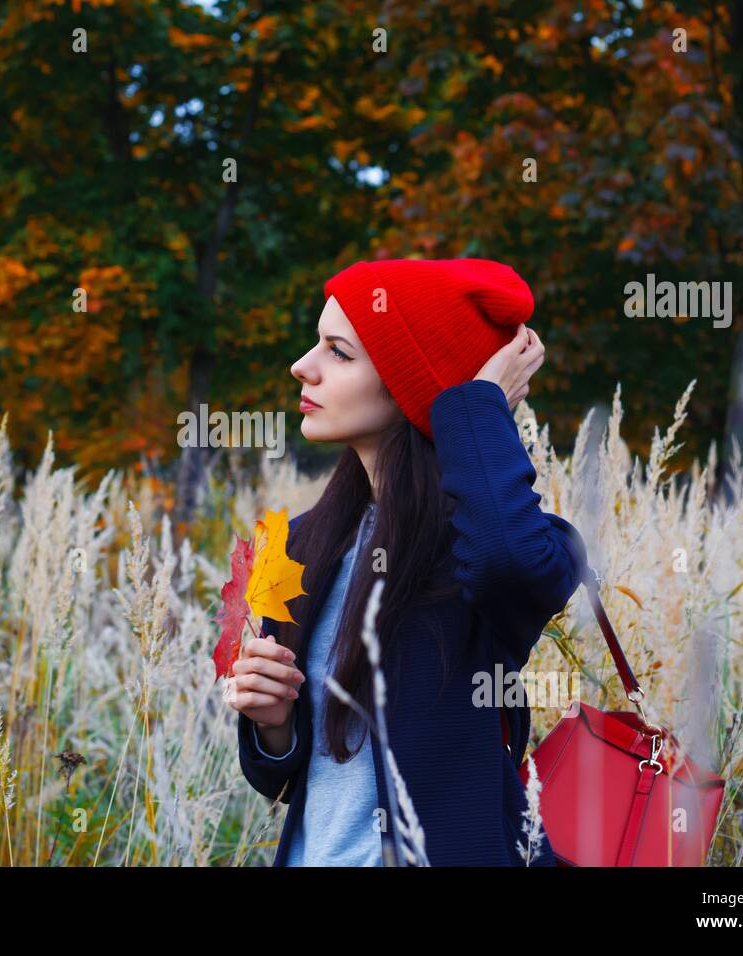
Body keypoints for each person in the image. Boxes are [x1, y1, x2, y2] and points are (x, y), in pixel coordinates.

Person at [224, 258, 589, 866]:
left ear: (409, 383)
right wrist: (272, 725)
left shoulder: (491, 548)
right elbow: (293, 781)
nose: (301, 366)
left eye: (338, 353)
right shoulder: (302, 545)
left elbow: (512, 563)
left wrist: (475, 406)